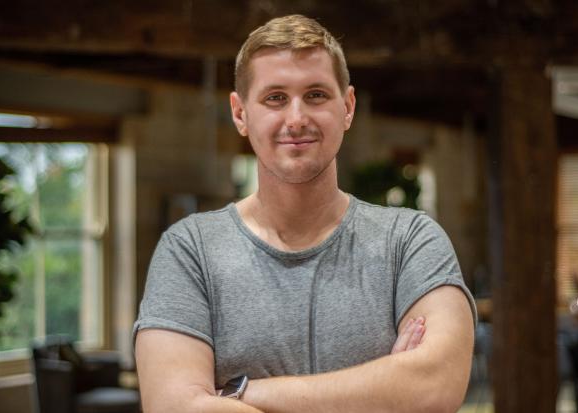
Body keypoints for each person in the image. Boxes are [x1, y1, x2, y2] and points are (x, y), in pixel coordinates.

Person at [134, 14, 476, 413]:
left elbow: (436, 387)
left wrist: (240, 392)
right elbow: (173, 407)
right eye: (275, 98)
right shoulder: (189, 250)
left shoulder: (410, 241)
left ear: (347, 107)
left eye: (315, 95)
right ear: (240, 113)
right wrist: (384, 390)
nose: (296, 119)